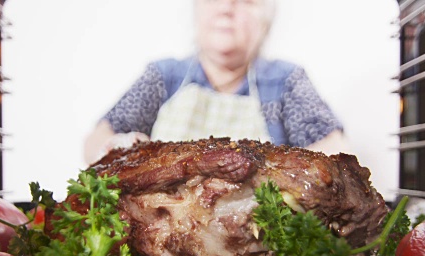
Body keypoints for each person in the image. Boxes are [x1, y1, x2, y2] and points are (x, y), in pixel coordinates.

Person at [84, 0, 349, 164]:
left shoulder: (285, 81)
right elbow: (98, 139)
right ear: (197, 12)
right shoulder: (164, 76)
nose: (226, 7)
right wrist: (114, 149)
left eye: (246, 0)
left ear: (264, 22)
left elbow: (334, 147)